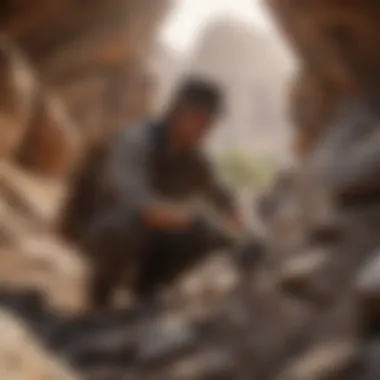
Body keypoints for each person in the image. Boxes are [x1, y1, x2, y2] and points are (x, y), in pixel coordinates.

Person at [61, 77, 246, 309]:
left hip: (147, 229)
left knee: (209, 236)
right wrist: (191, 218)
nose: (206, 128)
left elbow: (222, 197)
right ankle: (99, 299)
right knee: (124, 227)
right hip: (97, 227)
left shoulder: (193, 158)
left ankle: (146, 296)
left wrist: (240, 232)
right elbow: (136, 202)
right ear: (179, 112)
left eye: (210, 122)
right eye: (201, 119)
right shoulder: (136, 140)